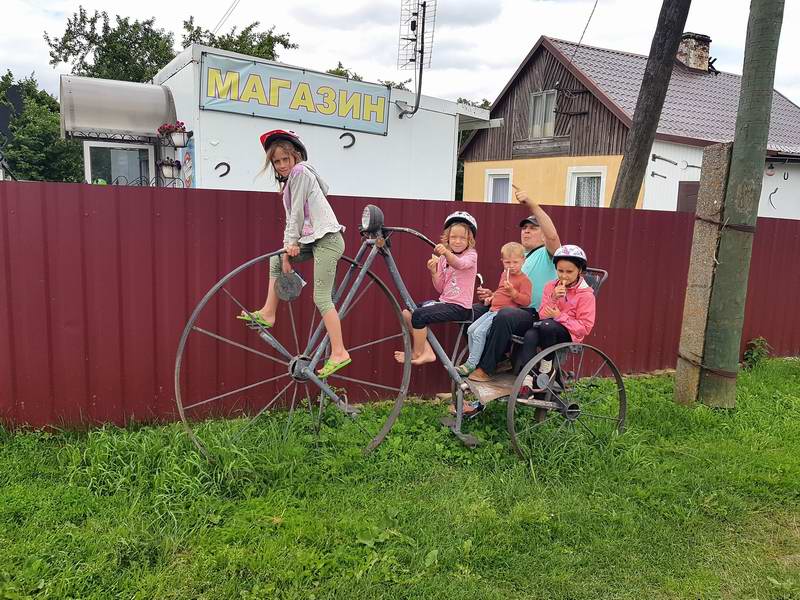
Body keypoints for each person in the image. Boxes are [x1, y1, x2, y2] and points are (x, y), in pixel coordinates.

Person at [237, 129, 350, 379]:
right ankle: (268, 312)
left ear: (296, 157)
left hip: (328, 240)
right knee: (276, 258)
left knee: (321, 297)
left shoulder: (300, 172)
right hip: (315, 239)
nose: (282, 165)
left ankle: (339, 351)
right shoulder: (293, 180)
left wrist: (291, 244)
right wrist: (289, 249)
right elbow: (297, 215)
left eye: (285, 159)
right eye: (276, 162)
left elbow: (297, 214)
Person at [467, 186, 561, 381]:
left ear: (542, 234)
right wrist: (492, 296)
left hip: (532, 313)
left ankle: (486, 368)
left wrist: (532, 204)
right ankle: (493, 359)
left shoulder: (549, 254)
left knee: (505, 315)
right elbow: (507, 291)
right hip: (511, 307)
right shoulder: (518, 257)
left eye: (532, 228)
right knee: (473, 311)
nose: (526, 231)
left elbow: (552, 236)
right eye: (524, 228)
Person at [394, 212, 478, 365]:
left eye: (462, 238)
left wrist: (445, 253)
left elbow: (460, 264)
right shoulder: (443, 258)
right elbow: (440, 288)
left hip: (461, 307)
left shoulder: (471, 255)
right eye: (453, 237)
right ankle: (426, 350)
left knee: (419, 315)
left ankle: (417, 352)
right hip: (445, 302)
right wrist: (434, 272)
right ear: (447, 238)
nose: (457, 241)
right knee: (407, 312)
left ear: (469, 240)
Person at [513, 245, 596, 376]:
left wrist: (559, 316)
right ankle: (528, 378)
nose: (564, 276)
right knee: (530, 334)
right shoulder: (550, 286)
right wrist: (553, 298)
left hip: (569, 333)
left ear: (579, 270)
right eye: (560, 271)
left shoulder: (586, 295)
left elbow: (585, 328)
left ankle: (546, 368)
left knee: (548, 325)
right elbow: (541, 315)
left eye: (569, 272)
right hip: (546, 329)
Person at [457, 242, 531, 378]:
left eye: (515, 262)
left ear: (523, 260)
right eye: (507, 262)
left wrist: (513, 292)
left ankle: (471, 363)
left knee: (479, 332)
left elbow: (526, 301)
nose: (511, 266)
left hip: (501, 313)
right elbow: (501, 292)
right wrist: (492, 297)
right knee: (471, 330)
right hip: (492, 309)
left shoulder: (524, 280)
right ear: (502, 261)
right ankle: (475, 361)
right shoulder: (504, 275)